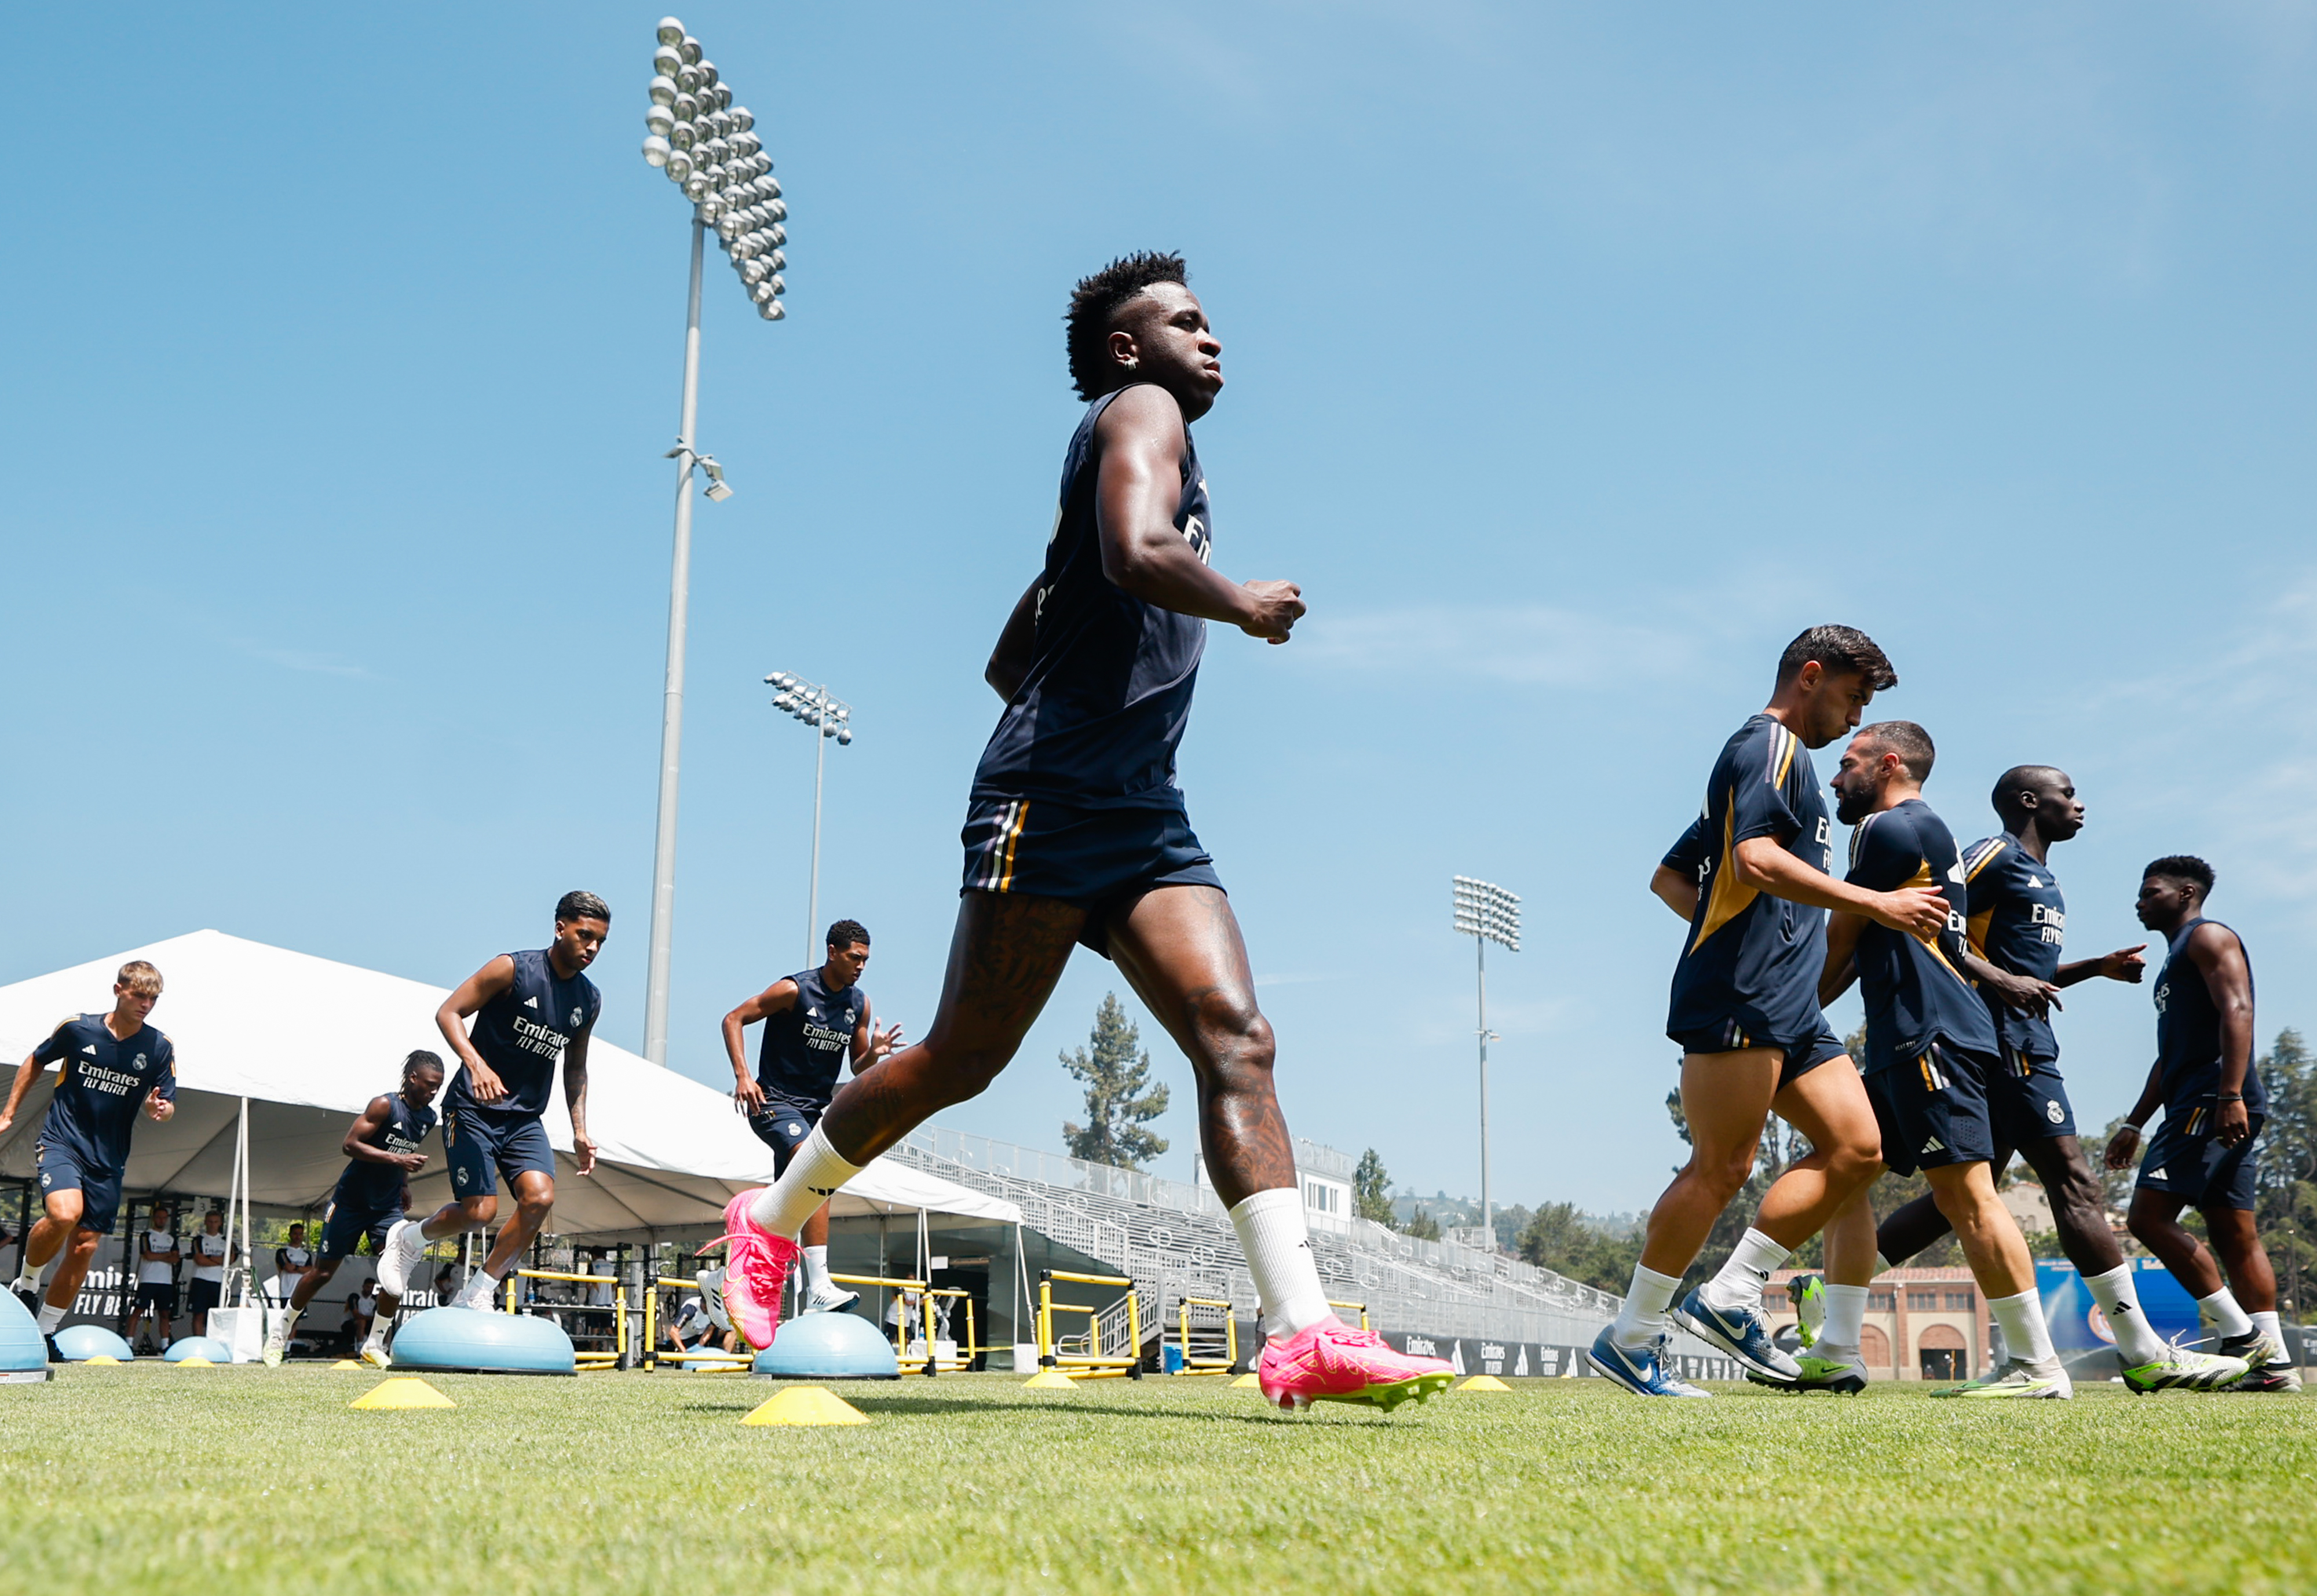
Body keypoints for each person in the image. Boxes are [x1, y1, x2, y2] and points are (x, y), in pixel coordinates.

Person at [710, 252, 1452, 1411]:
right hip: (1047, 801)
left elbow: (1016, 652)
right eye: (1186, 321)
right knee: (961, 1058)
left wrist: (1075, 586)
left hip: (1143, 809)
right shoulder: (1141, 413)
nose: (1211, 339)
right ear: (1125, 349)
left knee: (1236, 1037)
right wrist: (1243, 601)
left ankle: (1303, 1332)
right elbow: (1132, 554)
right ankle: (770, 1215)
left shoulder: (1146, 456)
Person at [1594, 628, 1943, 1398]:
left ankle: (1731, 1291)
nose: (1852, 717)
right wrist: (1871, 902)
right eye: (1851, 697)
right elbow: (1750, 858)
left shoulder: (1795, 770)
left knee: (1860, 1147)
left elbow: (1676, 873)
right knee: (1721, 1166)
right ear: (1811, 677)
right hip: (1742, 994)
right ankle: (1632, 1337)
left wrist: (1761, 931)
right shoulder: (1768, 747)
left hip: (1789, 1004)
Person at [1861, 769, 2243, 1392]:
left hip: (2025, 1039)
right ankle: (2142, 1349)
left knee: (1963, 1196)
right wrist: (2002, 982)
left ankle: (1835, 1288)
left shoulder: (2047, 880)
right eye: (2069, 793)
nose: (2080, 802)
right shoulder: (1991, 853)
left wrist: (2093, 968)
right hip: (2000, 1044)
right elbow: (1934, 930)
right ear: (2030, 801)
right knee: (2072, 1182)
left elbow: (2027, 974)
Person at [1816, 721, 2075, 1397]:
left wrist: (1783, 1016)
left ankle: (2035, 1365)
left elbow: (1840, 940)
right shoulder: (1932, 836)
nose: (1836, 777)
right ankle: (1837, 1347)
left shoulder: (1885, 830)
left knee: (1967, 1195)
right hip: (1915, 1033)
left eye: (1847, 763)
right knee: (1843, 1165)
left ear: (1888, 764)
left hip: (1927, 1034)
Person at [2105, 857, 2297, 1391]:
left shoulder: (2208, 937)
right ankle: (2275, 1367)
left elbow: (2239, 1009)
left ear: (2186, 892)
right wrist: (2135, 1122)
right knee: (2235, 1233)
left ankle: (2240, 1338)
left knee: (2147, 1217)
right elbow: (2172, 1054)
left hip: (2212, 1098)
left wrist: (2229, 1095)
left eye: (2150, 891)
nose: (2139, 902)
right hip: (2204, 1096)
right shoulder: (2174, 957)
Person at [376, 893, 606, 1314]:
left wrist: (579, 1130)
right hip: (471, 1108)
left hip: (524, 1118)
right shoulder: (513, 968)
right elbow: (449, 1011)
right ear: (560, 928)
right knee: (480, 1212)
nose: (591, 948)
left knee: (539, 1198)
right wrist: (475, 1064)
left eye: (600, 942)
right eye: (584, 935)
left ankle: (479, 1290)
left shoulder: (589, 1000)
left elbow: (575, 1069)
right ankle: (410, 1239)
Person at [719, 919, 901, 1315]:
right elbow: (733, 1018)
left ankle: (731, 1276)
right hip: (772, 1102)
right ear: (832, 952)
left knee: (786, 1203)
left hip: (812, 1110)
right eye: (855, 957)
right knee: (815, 1164)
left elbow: (857, 1066)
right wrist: (743, 1075)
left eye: (866, 960)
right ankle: (820, 1283)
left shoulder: (859, 1005)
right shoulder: (794, 990)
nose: (861, 966)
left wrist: (877, 1052)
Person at [0, 960, 178, 1357]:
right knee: (65, 1213)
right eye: (139, 995)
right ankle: (27, 1282)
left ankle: (45, 1333)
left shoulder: (159, 1046)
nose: (146, 1004)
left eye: (153, 997)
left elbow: (164, 1106)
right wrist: (9, 1112)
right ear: (118, 990)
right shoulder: (79, 1028)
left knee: (84, 1246)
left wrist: (159, 1110)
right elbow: (36, 1059)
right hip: (63, 1141)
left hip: (109, 1159)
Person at [266, 1050, 444, 1366]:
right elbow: (350, 1145)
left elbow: (405, 1150)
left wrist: (403, 1182)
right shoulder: (385, 1105)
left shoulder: (428, 1117)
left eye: (438, 1087)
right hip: (349, 1202)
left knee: (396, 1271)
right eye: (430, 1085)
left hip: (387, 1207)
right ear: (412, 1078)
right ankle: (279, 1333)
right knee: (322, 1273)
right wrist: (397, 1161)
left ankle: (374, 1343)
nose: (434, 1093)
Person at [126, 1203, 181, 1354]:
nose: (161, 1220)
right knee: (137, 1311)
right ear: (154, 1218)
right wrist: (166, 1256)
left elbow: (176, 1258)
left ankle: (165, 1345)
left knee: (165, 1314)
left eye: (164, 1218)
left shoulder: (171, 1238)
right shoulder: (146, 1235)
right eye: (159, 1217)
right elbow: (148, 1256)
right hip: (148, 1279)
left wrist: (160, 1256)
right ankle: (128, 1343)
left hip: (166, 1282)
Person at [185, 1208, 231, 1339]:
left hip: (219, 1282)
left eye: (216, 1222)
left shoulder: (226, 1241)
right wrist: (219, 1261)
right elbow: (200, 1260)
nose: (213, 1224)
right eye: (210, 1222)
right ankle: (199, 1340)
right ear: (206, 1222)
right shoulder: (198, 1240)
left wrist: (209, 1257)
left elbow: (230, 1260)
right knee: (198, 1314)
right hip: (201, 1280)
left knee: (218, 1315)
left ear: (220, 1223)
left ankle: (215, 1341)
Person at [272, 1224, 316, 1308]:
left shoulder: (306, 1254)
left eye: (300, 1234)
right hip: (287, 1292)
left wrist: (296, 1267)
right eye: (295, 1234)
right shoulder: (282, 1252)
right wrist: (301, 1269)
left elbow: (310, 1270)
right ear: (290, 1235)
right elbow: (288, 1268)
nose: (298, 1237)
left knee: (300, 1319)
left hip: (301, 1293)